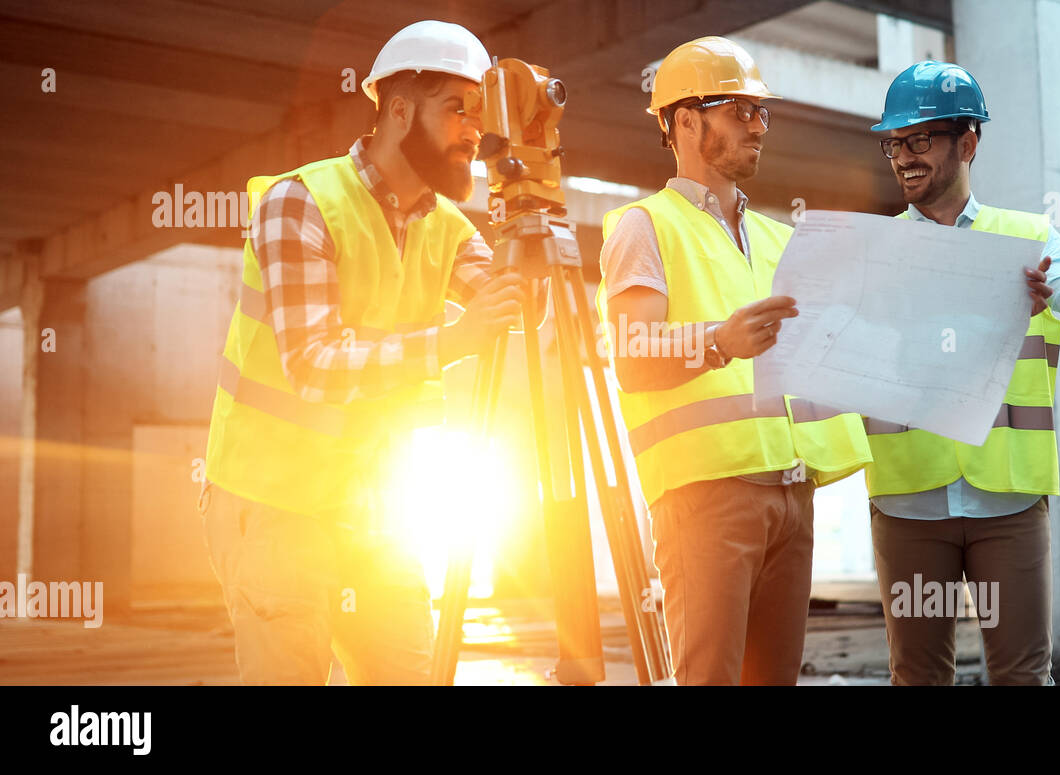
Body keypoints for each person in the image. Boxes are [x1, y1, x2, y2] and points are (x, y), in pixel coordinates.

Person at [198, 20, 525, 685]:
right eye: (456, 109)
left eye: (480, 116)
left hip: (375, 511)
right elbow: (313, 362)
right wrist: (451, 342)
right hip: (275, 504)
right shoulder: (301, 203)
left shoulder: (450, 229)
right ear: (398, 111)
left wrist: (532, 221)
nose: (472, 131)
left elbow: (515, 307)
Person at [597, 36, 872, 685]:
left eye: (762, 111)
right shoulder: (645, 225)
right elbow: (631, 354)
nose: (758, 123)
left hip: (791, 493)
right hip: (705, 499)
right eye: (739, 108)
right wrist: (719, 341)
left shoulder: (781, 239)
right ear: (685, 121)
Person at [864, 61, 1060, 685]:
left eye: (920, 139)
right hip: (907, 501)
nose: (903, 156)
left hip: (1008, 501)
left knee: (1021, 677)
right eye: (894, 143)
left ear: (969, 142)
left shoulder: (1029, 238)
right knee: (918, 677)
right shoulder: (871, 254)